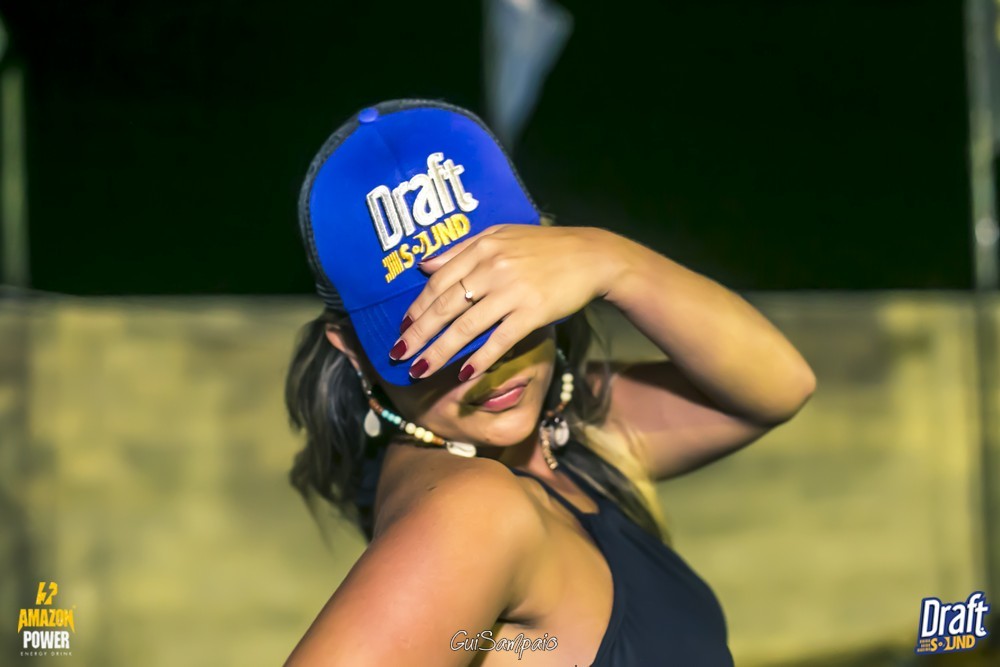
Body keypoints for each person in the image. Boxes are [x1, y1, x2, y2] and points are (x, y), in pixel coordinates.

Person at [282, 99, 816, 666]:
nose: (491, 359)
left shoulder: (563, 433)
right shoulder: (471, 513)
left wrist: (613, 262)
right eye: (437, 337)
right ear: (354, 352)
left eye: (505, 309)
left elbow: (782, 386)